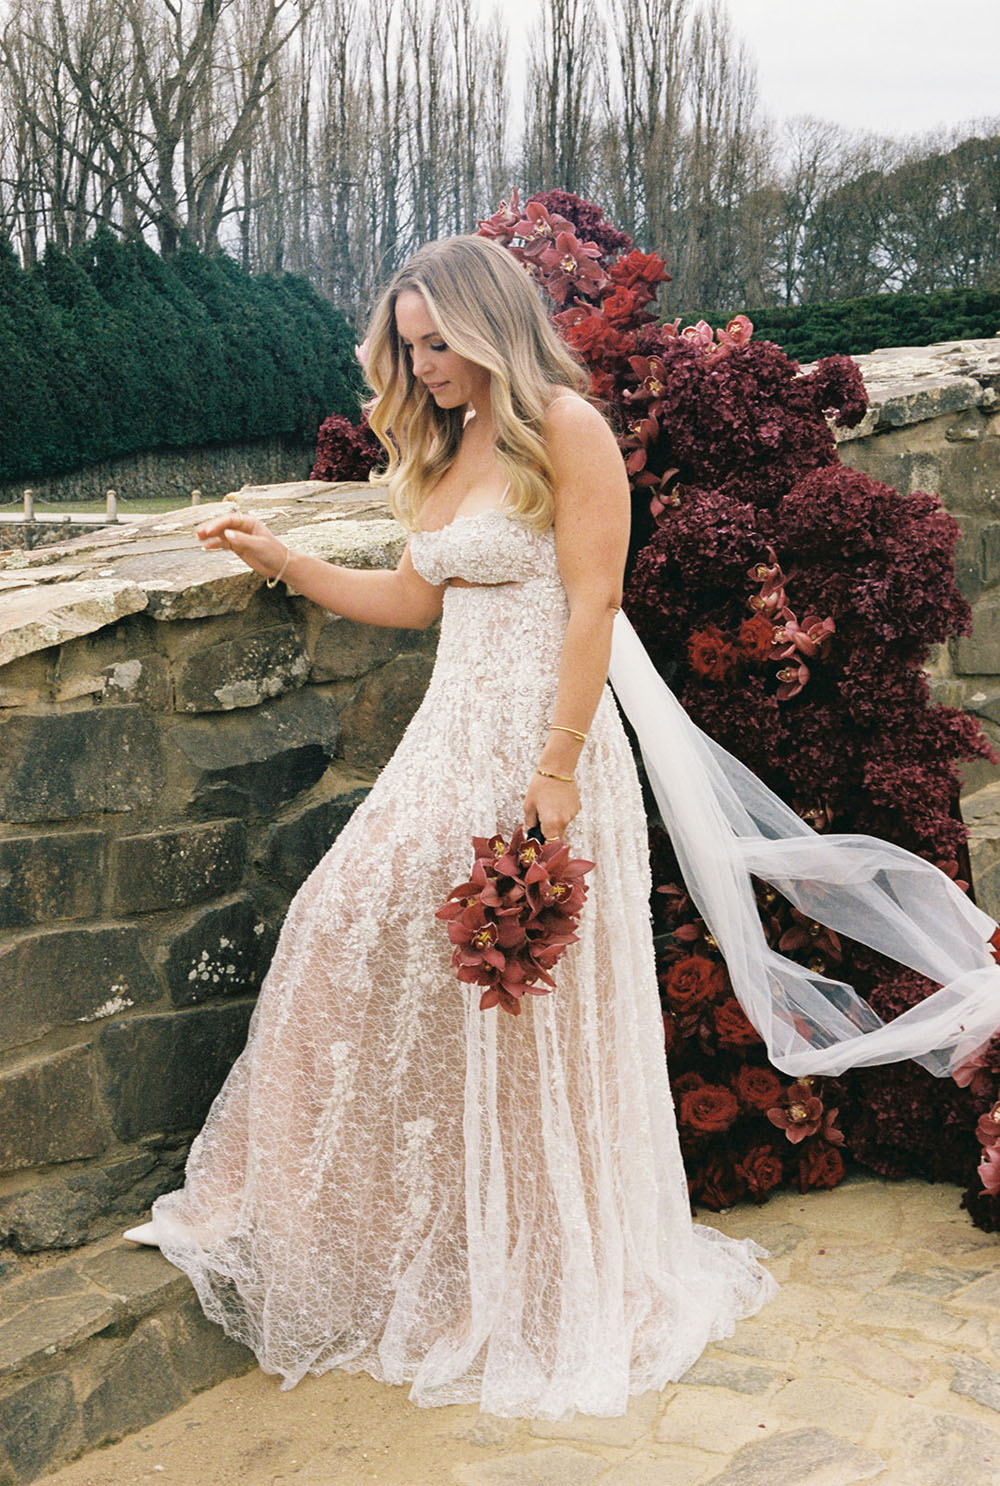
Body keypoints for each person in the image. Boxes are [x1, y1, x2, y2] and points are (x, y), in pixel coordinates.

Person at [123, 234, 777, 1420]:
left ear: (492, 329)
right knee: (343, 919)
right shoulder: (441, 442)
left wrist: (559, 771)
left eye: (439, 343)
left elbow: (595, 604)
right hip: (446, 742)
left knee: (522, 1010)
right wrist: (286, 558)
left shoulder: (564, 429)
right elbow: (414, 599)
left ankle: (538, 1264)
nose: (422, 365)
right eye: (409, 346)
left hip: (543, 753)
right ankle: (396, 1237)